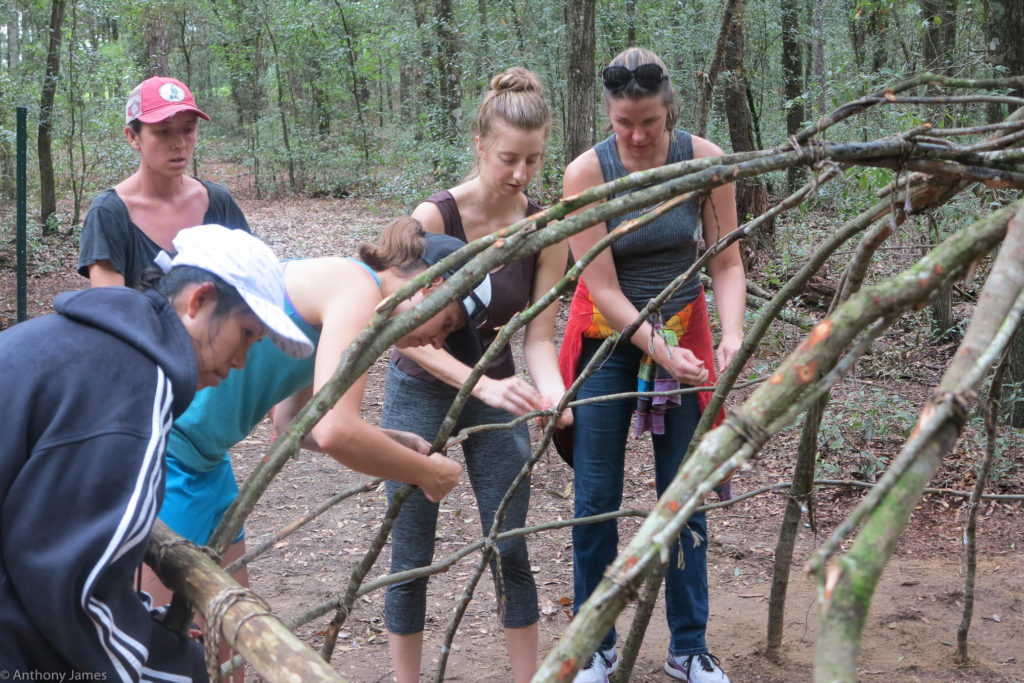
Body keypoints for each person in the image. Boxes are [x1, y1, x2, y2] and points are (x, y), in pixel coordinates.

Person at [0, 224, 312, 681]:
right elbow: (70, 589)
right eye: (246, 334)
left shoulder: (103, 345)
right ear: (199, 301)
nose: (243, 361)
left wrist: (142, 621)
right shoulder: (132, 386)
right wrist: (172, 664)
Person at [145, 217, 485, 615]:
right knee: (158, 641)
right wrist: (427, 473)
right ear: (432, 286)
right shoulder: (357, 287)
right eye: (446, 324)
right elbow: (335, 432)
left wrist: (390, 441)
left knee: (228, 635)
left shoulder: (350, 301)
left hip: (208, 465)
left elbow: (293, 424)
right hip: (165, 459)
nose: (437, 342)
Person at [560, 48, 745, 683]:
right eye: (623, 124)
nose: (637, 137)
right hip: (608, 341)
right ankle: (595, 642)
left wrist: (733, 335)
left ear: (671, 111)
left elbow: (725, 261)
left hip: (684, 330)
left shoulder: (706, 162)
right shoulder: (585, 175)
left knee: (684, 492)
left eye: (650, 123)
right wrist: (662, 354)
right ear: (608, 117)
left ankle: (688, 646)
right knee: (596, 497)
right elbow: (604, 287)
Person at [382, 67, 570, 683]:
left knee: (509, 543)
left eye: (534, 161)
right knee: (410, 552)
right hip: (421, 384)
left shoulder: (545, 228)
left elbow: (538, 336)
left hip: (497, 385)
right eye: (509, 158)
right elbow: (398, 330)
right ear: (480, 145)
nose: (521, 175)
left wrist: (553, 394)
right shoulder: (432, 220)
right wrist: (479, 383)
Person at [78, 76, 250, 288]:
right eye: (163, 132)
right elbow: (112, 311)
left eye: (188, 129)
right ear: (132, 137)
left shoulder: (218, 203)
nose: (179, 143)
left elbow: (251, 284)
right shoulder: (109, 214)